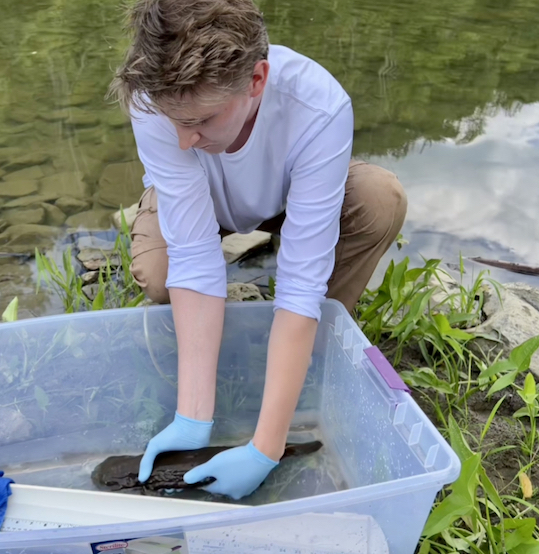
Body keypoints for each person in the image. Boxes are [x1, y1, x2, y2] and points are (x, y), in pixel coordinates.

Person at [107, 0, 407, 500]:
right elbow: (194, 256)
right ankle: (227, 368)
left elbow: (301, 283)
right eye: (173, 120)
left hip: (283, 198)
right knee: (162, 275)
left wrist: (266, 447)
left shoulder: (319, 106)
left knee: (379, 198)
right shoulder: (152, 96)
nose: (183, 139)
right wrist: (192, 416)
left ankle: (306, 350)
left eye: (201, 119)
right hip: (196, 199)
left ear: (257, 79)